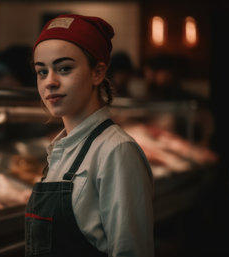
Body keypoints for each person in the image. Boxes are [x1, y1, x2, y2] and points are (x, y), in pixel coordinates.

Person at [25, 14, 154, 257]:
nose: (50, 82)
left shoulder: (117, 151)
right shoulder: (60, 150)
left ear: (97, 73)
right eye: (42, 72)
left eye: (64, 68)